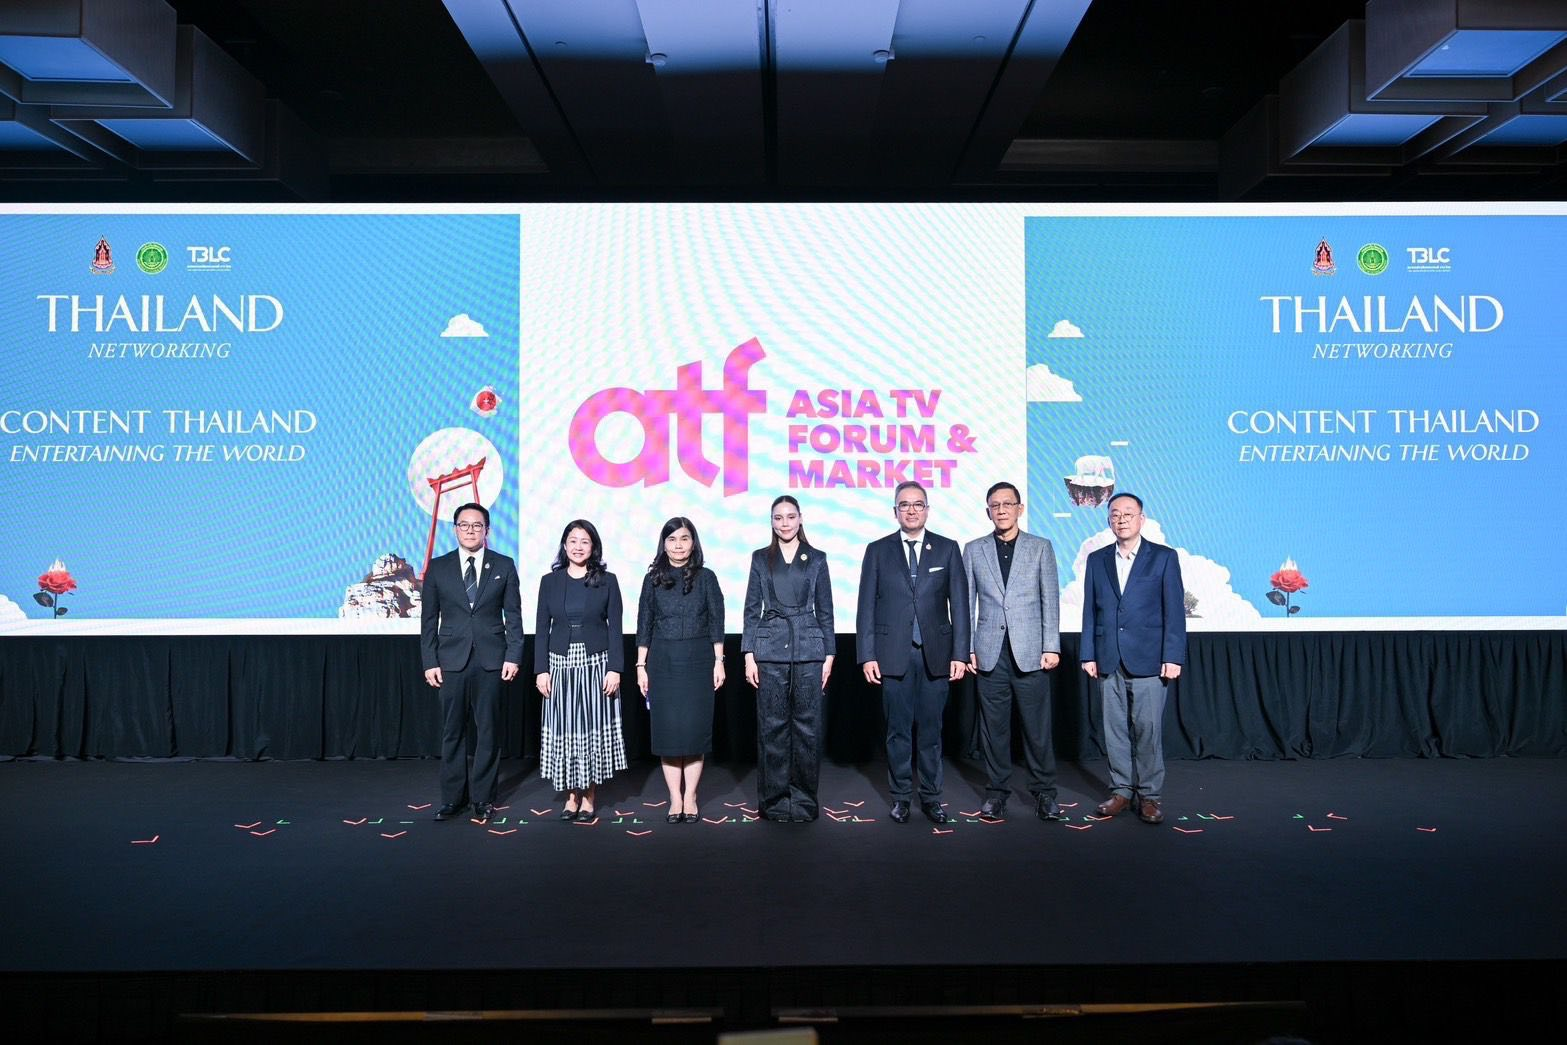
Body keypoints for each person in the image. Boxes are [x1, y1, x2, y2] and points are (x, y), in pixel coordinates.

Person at [856, 480, 970, 824]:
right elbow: (865, 607)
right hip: (892, 655)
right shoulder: (878, 550)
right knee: (898, 731)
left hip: (937, 655)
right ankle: (901, 797)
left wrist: (960, 654)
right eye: (904, 505)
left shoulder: (947, 549)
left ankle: (932, 797)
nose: (911, 510)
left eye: (917, 504)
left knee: (932, 732)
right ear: (895, 511)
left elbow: (960, 606)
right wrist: (867, 655)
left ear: (927, 510)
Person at [1080, 492, 1186, 825]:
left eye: (1128, 513)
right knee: (1113, 730)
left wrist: (1173, 656)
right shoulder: (1097, 560)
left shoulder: (1164, 558)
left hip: (1150, 658)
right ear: (1108, 520)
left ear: (1142, 519)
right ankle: (1121, 792)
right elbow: (1089, 611)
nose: (1121, 519)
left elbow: (1174, 613)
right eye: (1115, 514)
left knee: (1147, 729)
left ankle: (1150, 796)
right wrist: (1088, 653)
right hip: (1107, 657)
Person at [962, 482, 1066, 822]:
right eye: (995, 505)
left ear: (1020, 509)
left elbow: (1051, 599)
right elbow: (966, 603)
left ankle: (1045, 793)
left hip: (1031, 652)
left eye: (1008, 504)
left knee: (1037, 729)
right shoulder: (973, 549)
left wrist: (1051, 645)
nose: (1002, 509)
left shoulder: (1040, 547)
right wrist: (967, 648)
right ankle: (996, 793)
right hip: (989, 653)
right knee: (993, 730)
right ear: (988, 511)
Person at [419, 502, 522, 822]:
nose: (470, 530)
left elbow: (514, 616)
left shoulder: (504, 565)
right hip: (450, 661)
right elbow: (428, 620)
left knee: (488, 732)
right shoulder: (438, 567)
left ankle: (483, 799)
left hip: (492, 661)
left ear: (487, 530)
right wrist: (429, 661)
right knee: (452, 732)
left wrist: (513, 656)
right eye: (464, 525)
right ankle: (452, 799)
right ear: (455, 529)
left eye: (477, 525)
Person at [741, 495, 835, 822]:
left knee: (808, 730)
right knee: (772, 728)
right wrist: (749, 655)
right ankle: (774, 802)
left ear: (800, 518)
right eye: (778, 517)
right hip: (769, 651)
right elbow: (751, 609)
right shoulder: (760, 558)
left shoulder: (817, 558)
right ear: (771, 521)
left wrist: (829, 655)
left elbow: (826, 610)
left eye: (790, 517)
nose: (785, 523)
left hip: (809, 651)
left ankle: (805, 802)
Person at [534, 519, 627, 823]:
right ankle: (570, 796)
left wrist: (615, 668)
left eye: (584, 541)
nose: (578, 547)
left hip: (596, 662)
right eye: (573, 541)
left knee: (589, 729)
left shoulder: (608, 580)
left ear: (593, 547)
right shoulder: (550, 581)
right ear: (564, 545)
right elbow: (541, 628)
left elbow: (615, 628)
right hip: (559, 663)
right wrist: (541, 670)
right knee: (566, 729)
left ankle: (588, 796)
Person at [635, 517, 725, 824]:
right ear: (664, 544)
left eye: (684, 539)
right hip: (662, 661)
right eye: (672, 539)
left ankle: (691, 797)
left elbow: (716, 621)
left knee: (694, 732)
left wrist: (719, 661)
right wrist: (640, 666)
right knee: (669, 732)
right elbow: (644, 623)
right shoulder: (652, 579)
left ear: (693, 542)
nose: (678, 545)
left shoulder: (707, 578)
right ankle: (675, 797)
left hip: (699, 660)